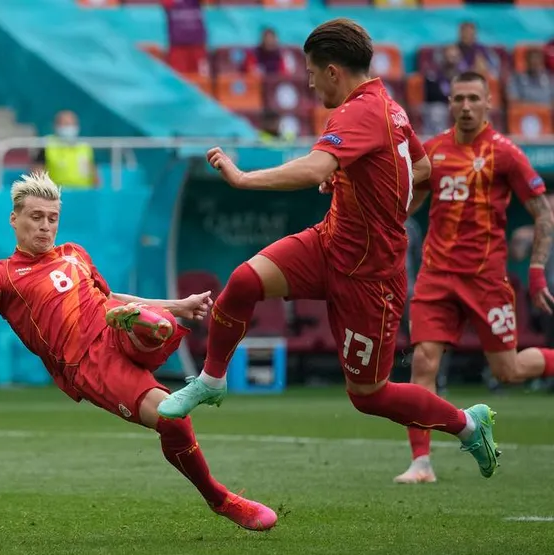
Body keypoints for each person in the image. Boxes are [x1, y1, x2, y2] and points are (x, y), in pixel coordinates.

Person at [158, 18, 501, 481]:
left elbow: (316, 165)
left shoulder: (358, 112)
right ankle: (211, 381)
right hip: (329, 242)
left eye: (312, 72)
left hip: (370, 277)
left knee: (369, 396)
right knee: (243, 282)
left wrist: (244, 179)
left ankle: (467, 424)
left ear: (334, 71)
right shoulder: (391, 109)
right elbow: (420, 172)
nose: (309, 80)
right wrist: (363, 190)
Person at [0, 171, 278, 531]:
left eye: (52, 218)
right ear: (14, 218)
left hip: (112, 326)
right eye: (36, 217)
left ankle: (153, 325)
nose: (44, 226)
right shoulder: (1, 276)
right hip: (89, 364)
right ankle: (221, 499)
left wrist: (179, 305)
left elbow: (110, 297)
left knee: (147, 320)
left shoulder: (74, 253)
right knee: (173, 419)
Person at [395, 71, 554, 484]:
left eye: (473, 99)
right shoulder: (434, 151)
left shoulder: (506, 154)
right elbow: (408, 203)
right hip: (436, 277)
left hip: (485, 279)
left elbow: (543, 213)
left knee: (508, 371)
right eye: (458, 98)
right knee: (424, 363)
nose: (465, 106)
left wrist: (536, 272)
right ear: (449, 104)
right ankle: (421, 464)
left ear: (488, 104)